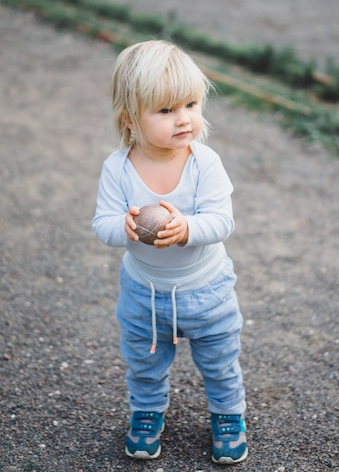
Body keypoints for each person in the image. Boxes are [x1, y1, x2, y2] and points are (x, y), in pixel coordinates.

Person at [92, 40, 247, 465]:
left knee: (219, 361)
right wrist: (123, 228)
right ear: (130, 119)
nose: (184, 120)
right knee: (144, 361)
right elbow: (102, 224)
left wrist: (187, 229)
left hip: (207, 289)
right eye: (165, 111)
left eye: (191, 104)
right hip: (144, 292)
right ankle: (146, 412)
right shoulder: (118, 168)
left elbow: (222, 221)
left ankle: (229, 415)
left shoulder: (205, 163)